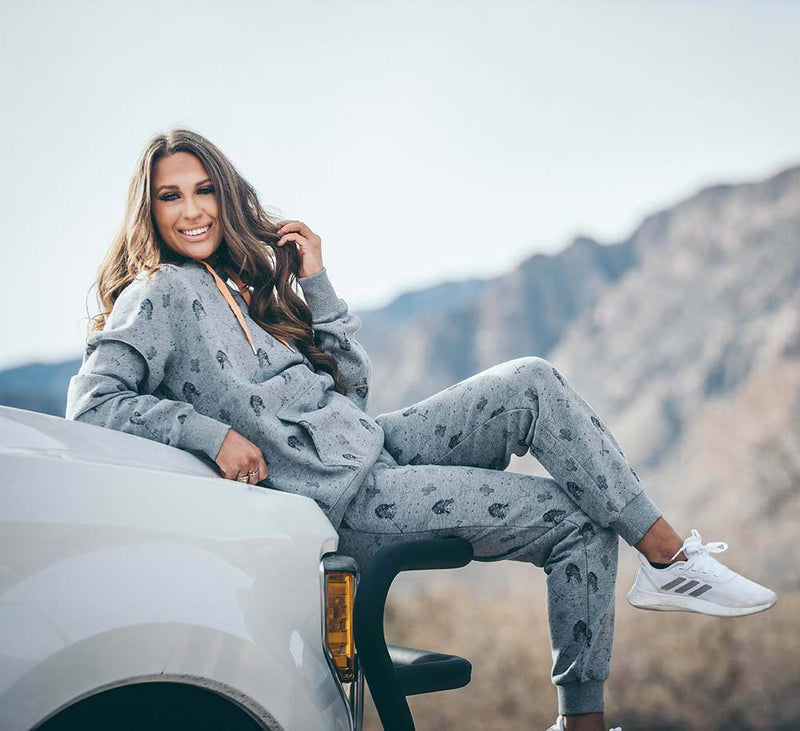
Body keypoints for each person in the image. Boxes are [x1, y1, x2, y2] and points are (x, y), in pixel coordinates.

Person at [65, 128, 777, 731]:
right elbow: (92, 402)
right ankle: (596, 696)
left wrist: (316, 283)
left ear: (223, 193)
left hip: (376, 445)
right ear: (150, 211)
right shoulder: (157, 293)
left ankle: (668, 558)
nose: (192, 210)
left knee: (530, 380)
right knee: (578, 518)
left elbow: (352, 388)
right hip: (346, 497)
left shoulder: (240, 289)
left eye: (203, 190)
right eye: (171, 195)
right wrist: (207, 435)